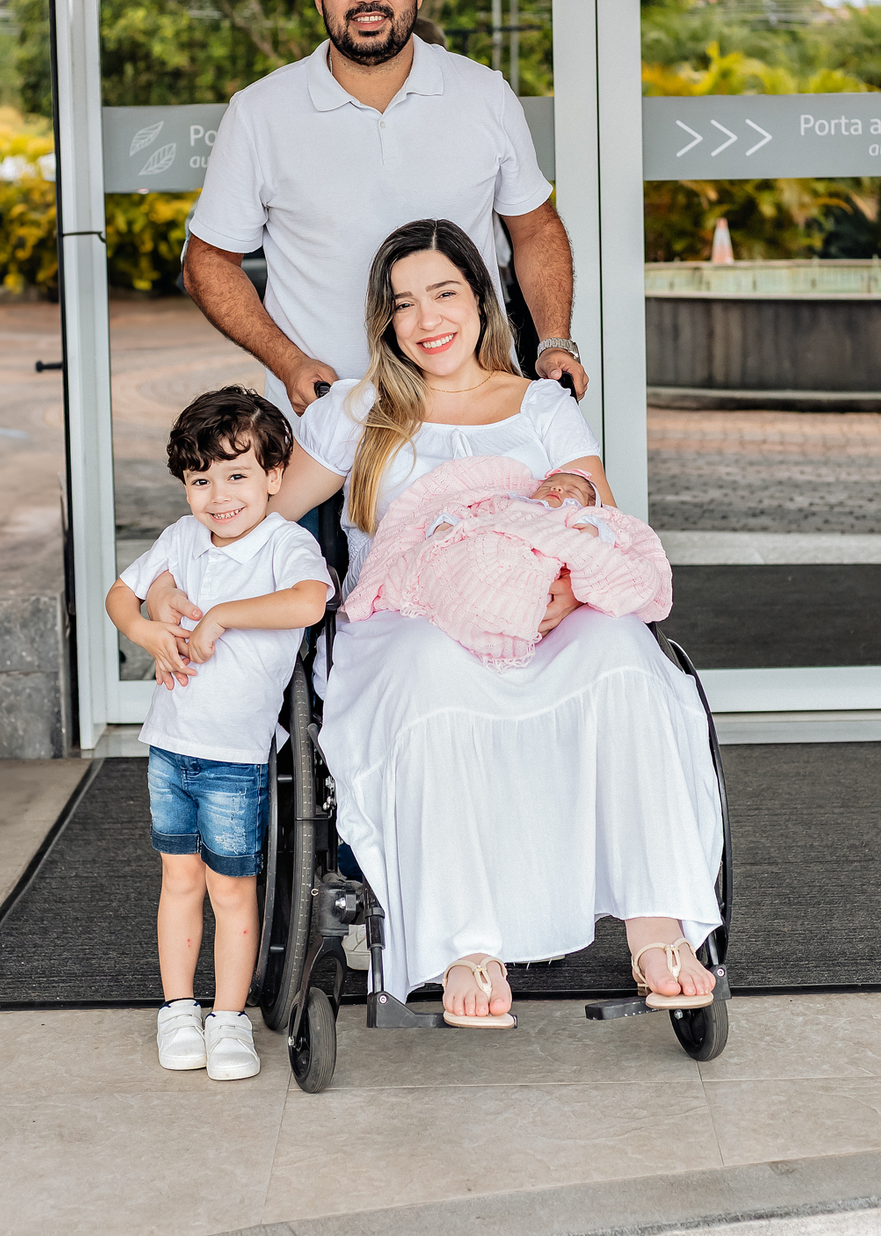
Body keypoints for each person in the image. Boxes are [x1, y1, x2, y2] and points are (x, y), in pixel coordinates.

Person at [263, 217, 724, 1028]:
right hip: (409, 618)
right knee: (429, 673)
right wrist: (180, 570)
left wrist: (577, 596)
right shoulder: (359, 409)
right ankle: (463, 940)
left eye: (444, 293)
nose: (427, 319)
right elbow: (263, 520)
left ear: (481, 299)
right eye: (404, 304)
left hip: (537, 616)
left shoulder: (541, 407)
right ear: (385, 321)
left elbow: (604, 527)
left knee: (623, 654)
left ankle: (658, 923)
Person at [182, 0, 587, 417]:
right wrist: (288, 363)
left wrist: (555, 340)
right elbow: (208, 262)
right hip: (331, 425)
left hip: (478, 415)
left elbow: (535, 228)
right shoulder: (258, 113)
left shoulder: (484, 92)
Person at [106, 387, 331, 1079]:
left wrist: (222, 615)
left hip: (234, 759)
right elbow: (123, 592)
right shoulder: (181, 539)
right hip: (170, 749)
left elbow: (309, 599)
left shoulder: (284, 546)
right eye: (200, 479)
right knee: (178, 882)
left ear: (273, 478)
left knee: (231, 890)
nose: (217, 494)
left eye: (236, 474)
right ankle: (179, 1007)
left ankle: (228, 1019)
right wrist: (146, 624)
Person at [344, 454, 672, 667]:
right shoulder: (507, 503)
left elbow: (598, 544)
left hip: (542, 569)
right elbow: (466, 515)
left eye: (571, 489)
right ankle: (484, 610)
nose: (557, 490)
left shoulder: (573, 518)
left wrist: (590, 534)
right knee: (470, 561)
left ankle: (507, 616)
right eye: (552, 484)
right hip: (486, 547)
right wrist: (445, 527)